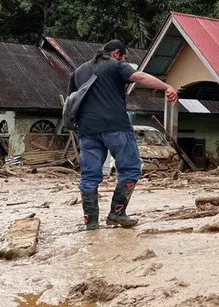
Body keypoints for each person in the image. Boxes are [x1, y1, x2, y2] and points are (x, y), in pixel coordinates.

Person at [70, 40, 178, 231]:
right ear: (117, 53)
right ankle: (116, 213)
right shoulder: (115, 65)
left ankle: (91, 223)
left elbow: (72, 100)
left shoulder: (78, 71)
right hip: (115, 126)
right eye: (125, 57)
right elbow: (140, 77)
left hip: (87, 130)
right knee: (131, 169)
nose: (125, 61)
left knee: (89, 176)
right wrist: (166, 87)